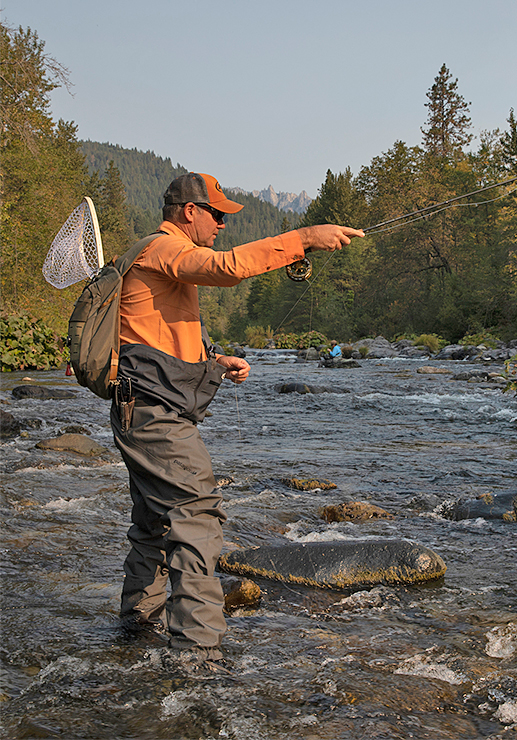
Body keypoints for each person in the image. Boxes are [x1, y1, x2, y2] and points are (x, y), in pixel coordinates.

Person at [111, 171, 363, 667]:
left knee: (155, 524)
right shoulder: (161, 249)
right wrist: (304, 239)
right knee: (196, 515)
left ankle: (137, 626)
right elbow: (228, 268)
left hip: (142, 407)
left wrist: (214, 362)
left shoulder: (163, 261)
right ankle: (198, 653)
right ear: (189, 212)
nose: (223, 224)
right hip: (155, 414)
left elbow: (157, 335)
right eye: (218, 214)